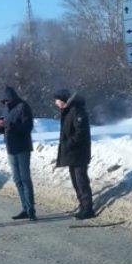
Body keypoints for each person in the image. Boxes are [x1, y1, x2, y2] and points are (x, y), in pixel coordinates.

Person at [0, 86, 36, 221]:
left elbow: (27, 127)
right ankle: (24, 208)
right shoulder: (5, 109)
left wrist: (8, 124)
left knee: (25, 179)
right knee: (17, 180)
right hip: (10, 148)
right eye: (4, 101)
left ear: (12, 97)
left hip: (22, 147)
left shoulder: (23, 107)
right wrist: (0, 127)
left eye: (7, 100)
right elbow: (6, 128)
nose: (6, 103)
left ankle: (31, 210)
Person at [54, 89, 94, 219]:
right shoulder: (67, 111)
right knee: (75, 181)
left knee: (81, 180)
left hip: (79, 152)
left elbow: (80, 132)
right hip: (72, 153)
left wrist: (68, 144)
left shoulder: (77, 110)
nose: (56, 103)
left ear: (63, 100)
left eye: (57, 100)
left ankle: (88, 208)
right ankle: (82, 205)